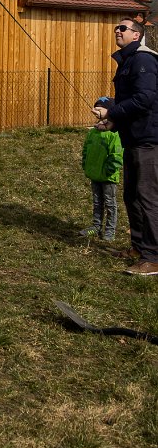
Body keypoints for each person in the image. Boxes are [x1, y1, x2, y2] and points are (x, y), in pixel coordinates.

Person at [93, 18, 158, 276]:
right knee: (131, 195)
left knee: (148, 198)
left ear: (136, 35)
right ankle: (139, 247)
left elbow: (144, 99)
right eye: (116, 28)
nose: (117, 31)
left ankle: (153, 257)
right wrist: (113, 123)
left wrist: (111, 111)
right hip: (133, 139)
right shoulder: (128, 61)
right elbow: (130, 102)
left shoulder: (144, 60)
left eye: (123, 28)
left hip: (149, 140)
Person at [79, 96, 123, 241]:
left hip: (108, 177)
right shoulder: (93, 132)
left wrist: (109, 170)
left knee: (110, 203)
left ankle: (109, 231)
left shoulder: (114, 134)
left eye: (99, 109)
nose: (95, 112)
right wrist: (86, 164)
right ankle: (96, 227)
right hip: (94, 174)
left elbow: (117, 156)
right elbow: (86, 150)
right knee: (97, 202)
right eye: (95, 108)